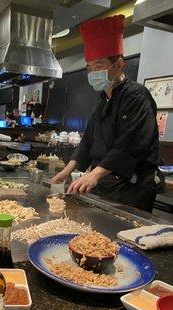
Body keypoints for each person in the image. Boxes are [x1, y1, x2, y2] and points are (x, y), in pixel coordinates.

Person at [52, 15, 163, 212]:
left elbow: (131, 145)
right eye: (89, 67)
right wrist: (68, 170)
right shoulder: (103, 101)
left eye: (99, 65)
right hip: (105, 186)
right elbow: (88, 142)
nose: (92, 72)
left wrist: (94, 174)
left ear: (119, 64)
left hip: (131, 189)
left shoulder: (137, 97)